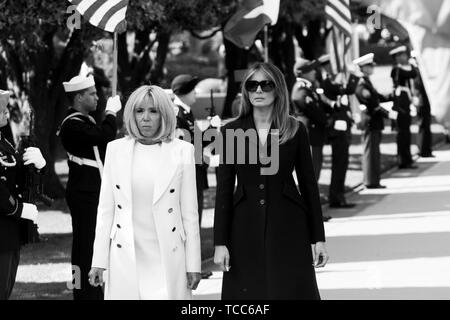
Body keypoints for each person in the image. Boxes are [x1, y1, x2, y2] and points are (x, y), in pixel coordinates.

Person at [214, 62, 329, 300]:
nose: (258, 90)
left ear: (278, 89)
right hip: (244, 226)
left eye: (265, 84)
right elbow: (224, 190)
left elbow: (308, 186)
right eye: (252, 85)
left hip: (288, 224)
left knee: (288, 291)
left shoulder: (294, 129)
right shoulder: (231, 131)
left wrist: (318, 238)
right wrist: (220, 242)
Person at [88, 85, 201, 300]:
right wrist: (98, 262)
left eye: (153, 111)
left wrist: (193, 264)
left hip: (168, 254)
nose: (146, 118)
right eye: (140, 111)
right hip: (126, 255)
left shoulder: (182, 151)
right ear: (131, 114)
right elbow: (105, 212)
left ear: (164, 114)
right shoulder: (115, 150)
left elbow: (190, 214)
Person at [58, 75, 121, 300]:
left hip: (93, 190)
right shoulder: (72, 124)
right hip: (84, 193)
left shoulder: (85, 121)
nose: (97, 97)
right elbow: (104, 136)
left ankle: (92, 290)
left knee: (93, 245)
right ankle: (83, 292)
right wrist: (111, 114)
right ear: (78, 97)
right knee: (84, 248)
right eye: (92, 94)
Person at [0, 89, 46, 299]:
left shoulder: (4, 142)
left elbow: (16, 177)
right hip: (5, 225)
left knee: (5, 288)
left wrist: (37, 166)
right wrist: (18, 209)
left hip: (9, 233)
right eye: (2, 109)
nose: (6, 113)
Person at [316, 54, 359, 209]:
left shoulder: (332, 81)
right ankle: (336, 197)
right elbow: (349, 90)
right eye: (329, 65)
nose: (332, 67)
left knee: (342, 163)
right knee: (339, 163)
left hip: (342, 128)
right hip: (337, 130)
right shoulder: (327, 82)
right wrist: (354, 75)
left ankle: (339, 196)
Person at [291, 58, 332, 184]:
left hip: (314, 135)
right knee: (311, 172)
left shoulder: (308, 88)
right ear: (302, 73)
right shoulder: (301, 90)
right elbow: (312, 110)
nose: (314, 72)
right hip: (310, 136)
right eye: (311, 70)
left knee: (315, 169)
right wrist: (327, 120)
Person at [354, 54, 390, 189]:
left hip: (374, 121)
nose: (372, 68)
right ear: (362, 68)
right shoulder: (362, 84)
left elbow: (377, 98)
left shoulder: (367, 82)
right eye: (369, 66)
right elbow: (372, 103)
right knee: (370, 152)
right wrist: (388, 113)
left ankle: (374, 180)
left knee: (374, 152)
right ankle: (370, 181)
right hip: (370, 121)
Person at [389, 45, 418, 169]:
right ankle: (403, 160)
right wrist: (413, 64)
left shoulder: (399, 69)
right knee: (403, 133)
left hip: (404, 101)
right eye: (403, 55)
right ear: (398, 57)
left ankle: (407, 159)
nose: (406, 57)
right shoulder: (397, 69)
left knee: (406, 132)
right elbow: (412, 74)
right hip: (401, 103)